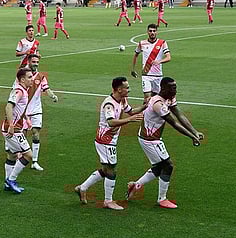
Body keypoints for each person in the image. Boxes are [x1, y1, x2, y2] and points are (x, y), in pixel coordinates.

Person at [126, 77, 203, 209]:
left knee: (158, 167)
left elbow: (180, 115)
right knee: (168, 166)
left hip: (154, 138)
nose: (175, 90)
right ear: (163, 88)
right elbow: (174, 123)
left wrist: (194, 132)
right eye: (172, 88)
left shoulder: (169, 98)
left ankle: (136, 185)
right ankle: (162, 199)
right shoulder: (158, 104)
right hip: (149, 139)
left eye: (175, 88)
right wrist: (191, 137)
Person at [75, 77, 145, 210]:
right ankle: (108, 201)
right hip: (105, 140)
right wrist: (130, 120)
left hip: (110, 140)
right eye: (127, 88)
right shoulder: (109, 104)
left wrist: (145, 106)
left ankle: (82, 188)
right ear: (119, 89)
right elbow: (111, 122)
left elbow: (131, 111)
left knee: (106, 169)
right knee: (112, 170)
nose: (129, 90)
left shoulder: (122, 100)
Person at [18, 54, 58, 171]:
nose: (36, 64)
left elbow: (46, 88)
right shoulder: (23, 75)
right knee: (23, 134)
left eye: (37, 62)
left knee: (36, 133)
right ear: (29, 62)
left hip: (36, 110)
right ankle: (20, 156)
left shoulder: (41, 76)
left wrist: (52, 96)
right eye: (34, 61)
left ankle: (34, 161)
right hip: (24, 110)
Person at [2, 68, 34, 193]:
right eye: (29, 77)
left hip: (13, 127)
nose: (32, 79)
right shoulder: (19, 91)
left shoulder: (23, 91)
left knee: (12, 155)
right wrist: (11, 125)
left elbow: (19, 109)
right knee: (28, 155)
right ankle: (11, 180)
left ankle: (7, 183)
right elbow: (9, 106)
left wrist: (27, 119)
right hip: (13, 129)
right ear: (22, 79)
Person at [131, 24, 171, 104]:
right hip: (146, 75)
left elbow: (168, 57)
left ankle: (153, 114)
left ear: (156, 32)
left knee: (157, 98)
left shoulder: (162, 43)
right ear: (147, 32)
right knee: (147, 98)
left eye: (154, 31)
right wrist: (133, 69)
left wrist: (159, 61)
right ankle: (144, 115)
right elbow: (136, 55)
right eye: (150, 31)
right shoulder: (142, 43)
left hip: (158, 75)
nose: (152, 32)